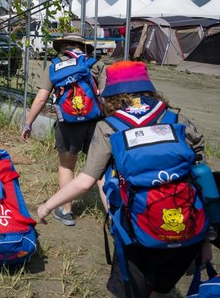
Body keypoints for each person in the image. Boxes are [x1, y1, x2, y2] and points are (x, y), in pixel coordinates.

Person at [36, 61, 211, 297]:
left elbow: (85, 181)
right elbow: (201, 178)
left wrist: (47, 206)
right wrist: (206, 241)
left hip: (138, 233)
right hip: (188, 230)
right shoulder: (177, 119)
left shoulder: (109, 127)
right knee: (161, 290)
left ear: (112, 94)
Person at [21, 32, 106, 226]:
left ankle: (66, 211)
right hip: (95, 123)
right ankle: (110, 214)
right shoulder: (96, 65)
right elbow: (106, 97)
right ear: (83, 48)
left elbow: (41, 98)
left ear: (62, 47)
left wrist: (28, 123)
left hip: (68, 124)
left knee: (67, 165)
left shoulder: (54, 66)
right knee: (100, 169)